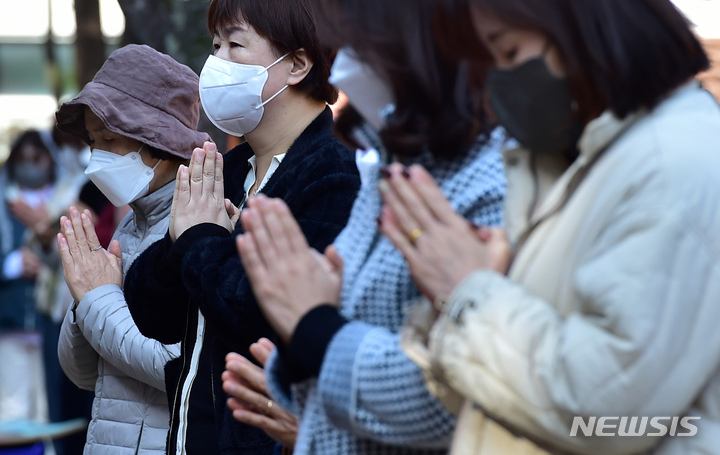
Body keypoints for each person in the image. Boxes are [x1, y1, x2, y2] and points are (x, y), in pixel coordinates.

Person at [379, 0, 720, 454]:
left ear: (584, 25)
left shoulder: (670, 165)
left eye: (510, 52)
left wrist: (468, 293)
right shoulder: (588, 160)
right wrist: (466, 296)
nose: (497, 81)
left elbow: (606, 415)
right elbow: (509, 402)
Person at [229, 0, 506, 453]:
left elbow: (458, 393)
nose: (343, 67)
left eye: (356, 42)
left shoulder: (489, 181)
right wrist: (298, 358)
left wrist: (311, 327)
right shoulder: (383, 165)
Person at [122, 0, 361, 453]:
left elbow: (269, 318)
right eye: (215, 45)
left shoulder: (334, 173)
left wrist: (200, 240)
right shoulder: (228, 170)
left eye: (235, 44)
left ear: (296, 64)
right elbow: (152, 313)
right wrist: (186, 242)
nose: (217, 62)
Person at [55, 44, 211, 455]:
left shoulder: (199, 222)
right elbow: (85, 374)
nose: (96, 156)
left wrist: (96, 297)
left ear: (158, 145)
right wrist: (83, 297)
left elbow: (180, 365)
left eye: (109, 138)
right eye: (93, 141)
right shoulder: (129, 223)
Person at [0, 130, 55, 424]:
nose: (30, 165)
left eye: (37, 158)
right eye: (22, 159)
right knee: (13, 411)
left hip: (54, 327)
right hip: (10, 325)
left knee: (50, 410)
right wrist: (12, 264)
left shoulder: (65, 199)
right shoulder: (3, 201)